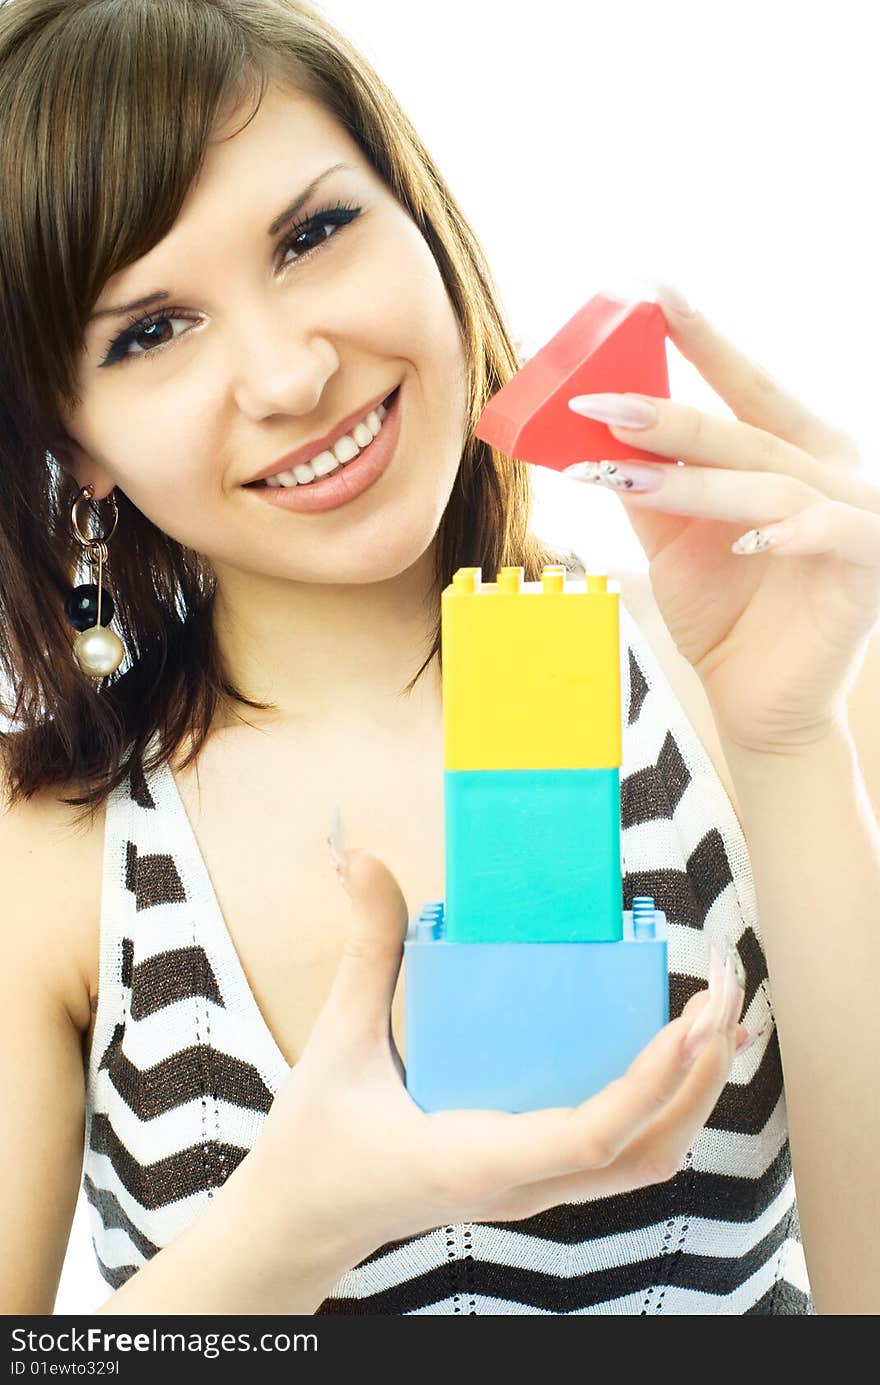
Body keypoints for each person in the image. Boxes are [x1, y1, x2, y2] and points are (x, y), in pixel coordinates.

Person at [1, 0, 878, 1318]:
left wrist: (791, 742)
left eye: (312, 234)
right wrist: (297, 1225)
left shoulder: (744, 676)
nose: (291, 375)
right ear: (74, 447)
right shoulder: (52, 846)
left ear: (420, 218)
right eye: (149, 330)